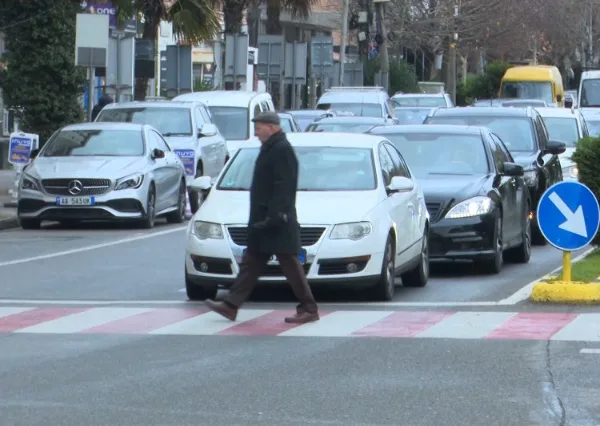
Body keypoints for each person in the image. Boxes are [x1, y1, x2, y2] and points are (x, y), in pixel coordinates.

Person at [204, 111, 320, 324]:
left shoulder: (282, 150)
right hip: (265, 220)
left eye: (259, 128)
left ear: (271, 126)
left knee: (290, 266)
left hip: (276, 221)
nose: (256, 133)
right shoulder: (271, 148)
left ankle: (309, 308)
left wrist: (276, 216)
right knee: (252, 264)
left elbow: (284, 186)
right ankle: (231, 305)